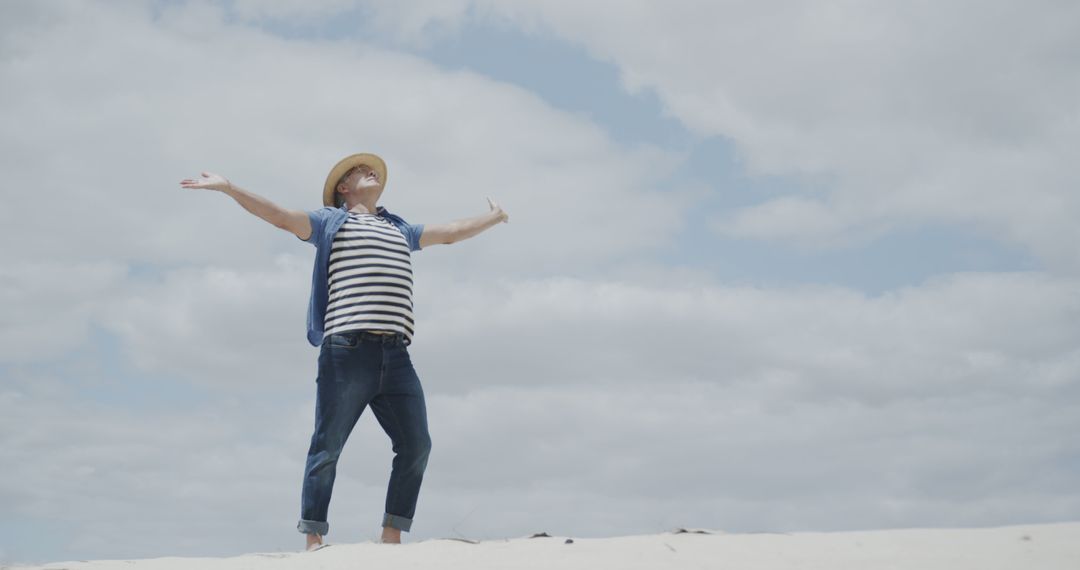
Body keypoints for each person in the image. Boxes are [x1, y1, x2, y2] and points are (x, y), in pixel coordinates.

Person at [180, 152, 509, 550]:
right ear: (344, 187)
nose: (373, 172)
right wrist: (230, 188)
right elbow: (280, 216)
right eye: (361, 171)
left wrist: (493, 218)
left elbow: (451, 231)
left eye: (375, 171)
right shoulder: (329, 222)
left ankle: (392, 535)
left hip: (397, 353)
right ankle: (314, 538)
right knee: (328, 444)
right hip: (347, 349)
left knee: (417, 443)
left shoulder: (399, 228)